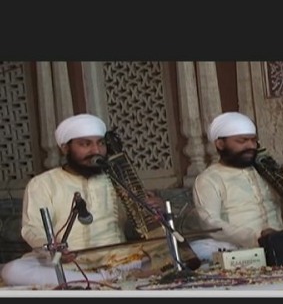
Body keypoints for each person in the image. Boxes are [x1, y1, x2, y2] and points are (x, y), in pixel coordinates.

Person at [1, 113, 166, 288]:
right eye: (85, 144)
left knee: (185, 250)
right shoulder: (42, 183)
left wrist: (156, 209)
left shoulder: (117, 178)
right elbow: (32, 229)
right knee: (12, 270)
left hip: (119, 258)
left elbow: (144, 223)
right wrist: (50, 246)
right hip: (66, 263)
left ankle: (97, 278)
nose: (96, 151)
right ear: (65, 148)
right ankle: (101, 280)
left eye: (100, 143)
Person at [190, 112, 283, 262]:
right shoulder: (209, 179)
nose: (250, 146)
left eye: (253, 140)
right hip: (240, 250)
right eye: (242, 141)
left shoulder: (267, 171)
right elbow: (210, 223)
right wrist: (256, 237)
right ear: (220, 144)